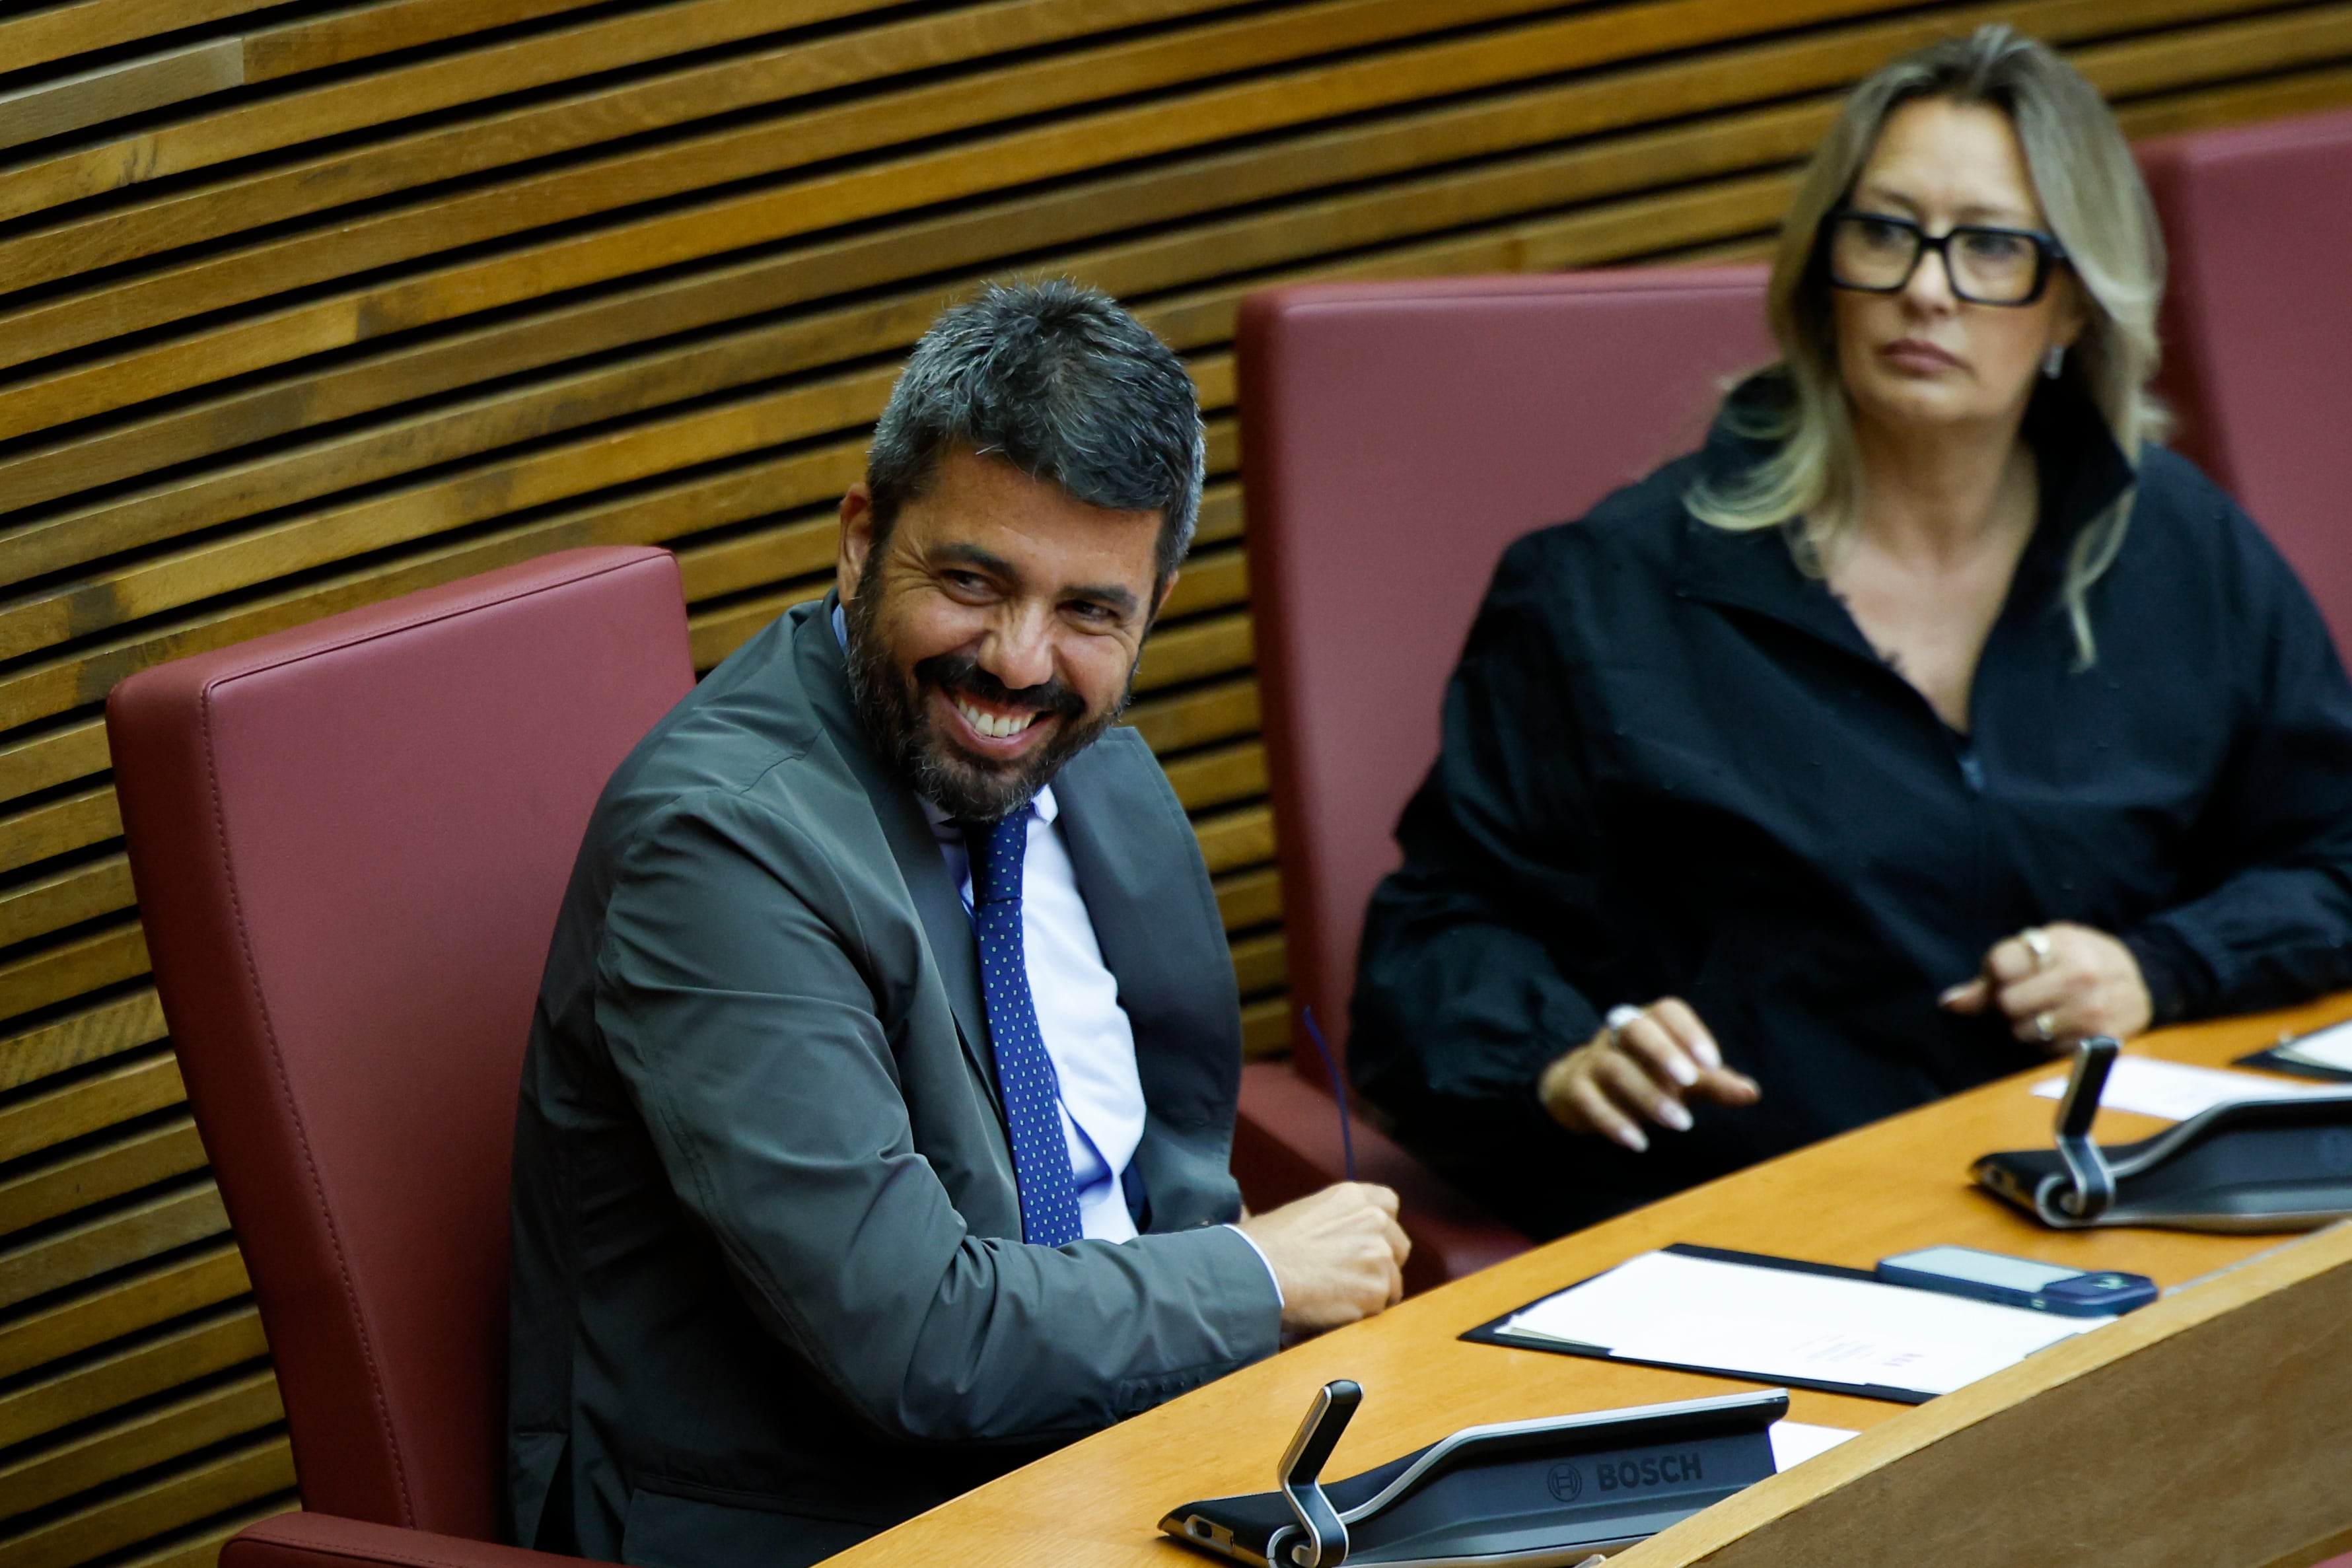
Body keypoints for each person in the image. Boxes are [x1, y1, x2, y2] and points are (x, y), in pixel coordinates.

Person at [1350, 26, 2352, 1242]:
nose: (1926, 287)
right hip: (1768, 1239)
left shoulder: (2178, 545)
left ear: (2074, 307)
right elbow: (1427, 948)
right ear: (1823, 272)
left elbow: (2334, 851)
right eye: (1883, 232)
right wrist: (1560, 1051)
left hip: (2120, 1211)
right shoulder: (1608, 589)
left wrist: (2162, 966)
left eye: (1990, 246)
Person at [507, 280, 1409, 1568]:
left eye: (1089, 610)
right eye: (974, 581)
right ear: (860, 540)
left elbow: (1163, 1185)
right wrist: (1256, 1277)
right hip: (837, 1523)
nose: (1020, 661)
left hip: (1142, 1462)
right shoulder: (720, 845)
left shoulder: (1090, 772)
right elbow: (913, 1336)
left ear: (1151, 607)